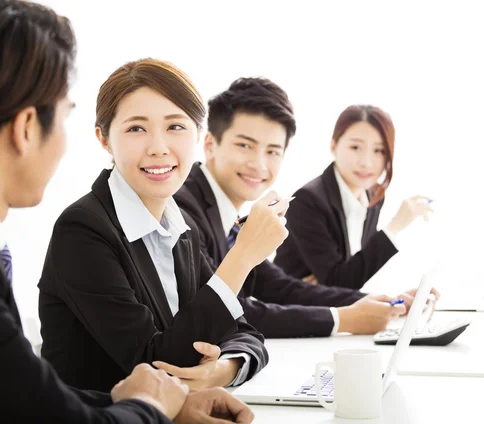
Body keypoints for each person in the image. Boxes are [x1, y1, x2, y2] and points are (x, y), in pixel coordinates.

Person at [0, 2, 254, 422]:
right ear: (26, 128)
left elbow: (16, 395)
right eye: (64, 117)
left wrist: (157, 406)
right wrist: (150, 408)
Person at [38, 59, 287, 393]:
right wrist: (243, 256)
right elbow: (154, 363)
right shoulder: (82, 230)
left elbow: (244, 332)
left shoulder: (180, 228)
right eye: (136, 128)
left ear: (199, 135)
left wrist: (223, 369)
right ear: (104, 139)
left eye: (176, 127)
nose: (158, 147)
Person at [175, 78, 438, 338]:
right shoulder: (184, 209)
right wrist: (343, 319)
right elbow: (224, 310)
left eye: (273, 151)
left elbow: (279, 286)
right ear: (209, 145)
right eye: (245, 145)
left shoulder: (228, 214)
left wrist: (385, 302)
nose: (259, 164)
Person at [274, 104, 433, 289]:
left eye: (379, 151)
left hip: (338, 307)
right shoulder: (308, 202)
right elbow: (340, 281)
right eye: (356, 147)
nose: (366, 162)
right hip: (296, 311)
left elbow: (353, 272)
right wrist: (395, 226)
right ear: (334, 146)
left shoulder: (374, 195)